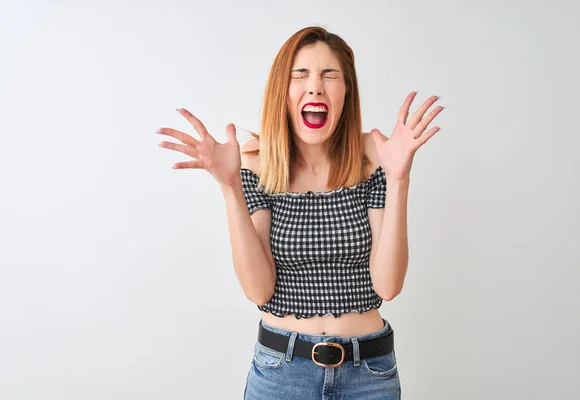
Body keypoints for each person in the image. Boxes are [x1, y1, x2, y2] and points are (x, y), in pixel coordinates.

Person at [157, 26, 443, 400]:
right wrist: (230, 186)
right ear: (283, 90)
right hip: (281, 373)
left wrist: (399, 178)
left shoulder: (375, 157)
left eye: (330, 75)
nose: (315, 87)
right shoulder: (256, 162)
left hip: (369, 375)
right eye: (301, 74)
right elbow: (258, 289)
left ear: (346, 91)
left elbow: (388, 285)